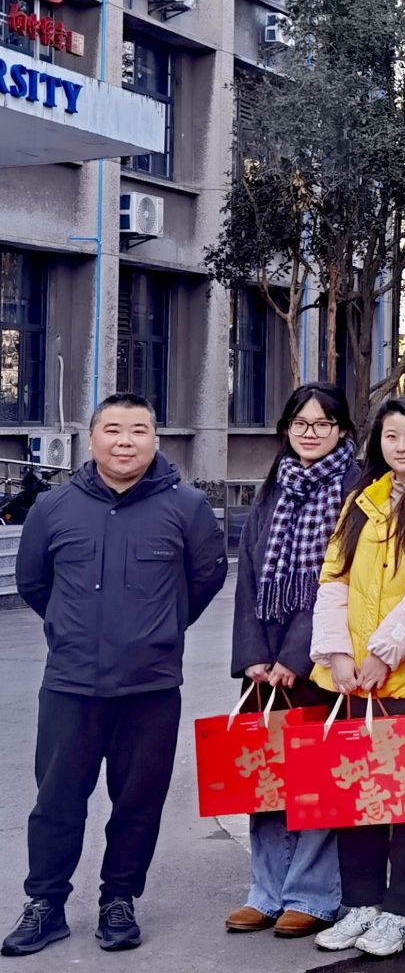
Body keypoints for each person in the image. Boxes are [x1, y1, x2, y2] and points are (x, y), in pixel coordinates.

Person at [4, 395, 229, 957]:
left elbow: (205, 579)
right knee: (56, 802)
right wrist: (72, 629)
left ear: (155, 438)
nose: (125, 441)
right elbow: (34, 583)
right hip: (70, 685)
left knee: (137, 802)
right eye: (112, 429)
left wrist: (159, 629)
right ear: (91, 437)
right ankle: (45, 905)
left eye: (138, 430)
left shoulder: (187, 506)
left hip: (150, 687)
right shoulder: (53, 506)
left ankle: (119, 901)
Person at [308, 396, 405, 959]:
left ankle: (403, 910)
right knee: (358, 797)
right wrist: (337, 654)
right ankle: (362, 903)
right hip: (353, 679)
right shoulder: (361, 502)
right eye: (391, 436)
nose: (401, 446)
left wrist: (383, 654)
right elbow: (333, 578)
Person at [225, 384, 358, 939]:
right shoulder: (274, 484)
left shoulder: (354, 488)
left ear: (342, 431)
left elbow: (338, 579)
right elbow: (248, 572)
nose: (310, 433)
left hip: (319, 658)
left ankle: (313, 893)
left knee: (315, 778)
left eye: (322, 423)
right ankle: (266, 890)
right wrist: (254, 655)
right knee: (265, 775)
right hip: (264, 662)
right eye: (300, 423)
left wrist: (294, 656)